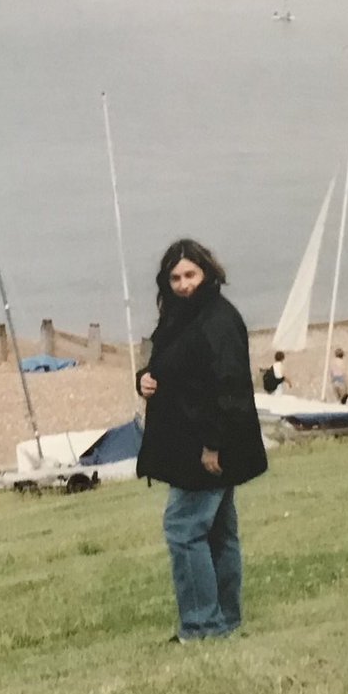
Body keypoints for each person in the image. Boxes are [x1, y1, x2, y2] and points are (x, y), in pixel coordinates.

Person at [136, 239, 268, 642]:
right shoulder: (181, 315)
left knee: (183, 528)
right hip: (185, 440)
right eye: (175, 277)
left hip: (207, 444)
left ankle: (201, 625)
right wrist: (144, 379)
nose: (182, 284)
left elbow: (229, 388)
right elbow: (169, 365)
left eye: (190, 275)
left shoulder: (218, 319)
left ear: (207, 273)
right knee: (217, 531)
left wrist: (215, 444)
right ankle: (224, 619)